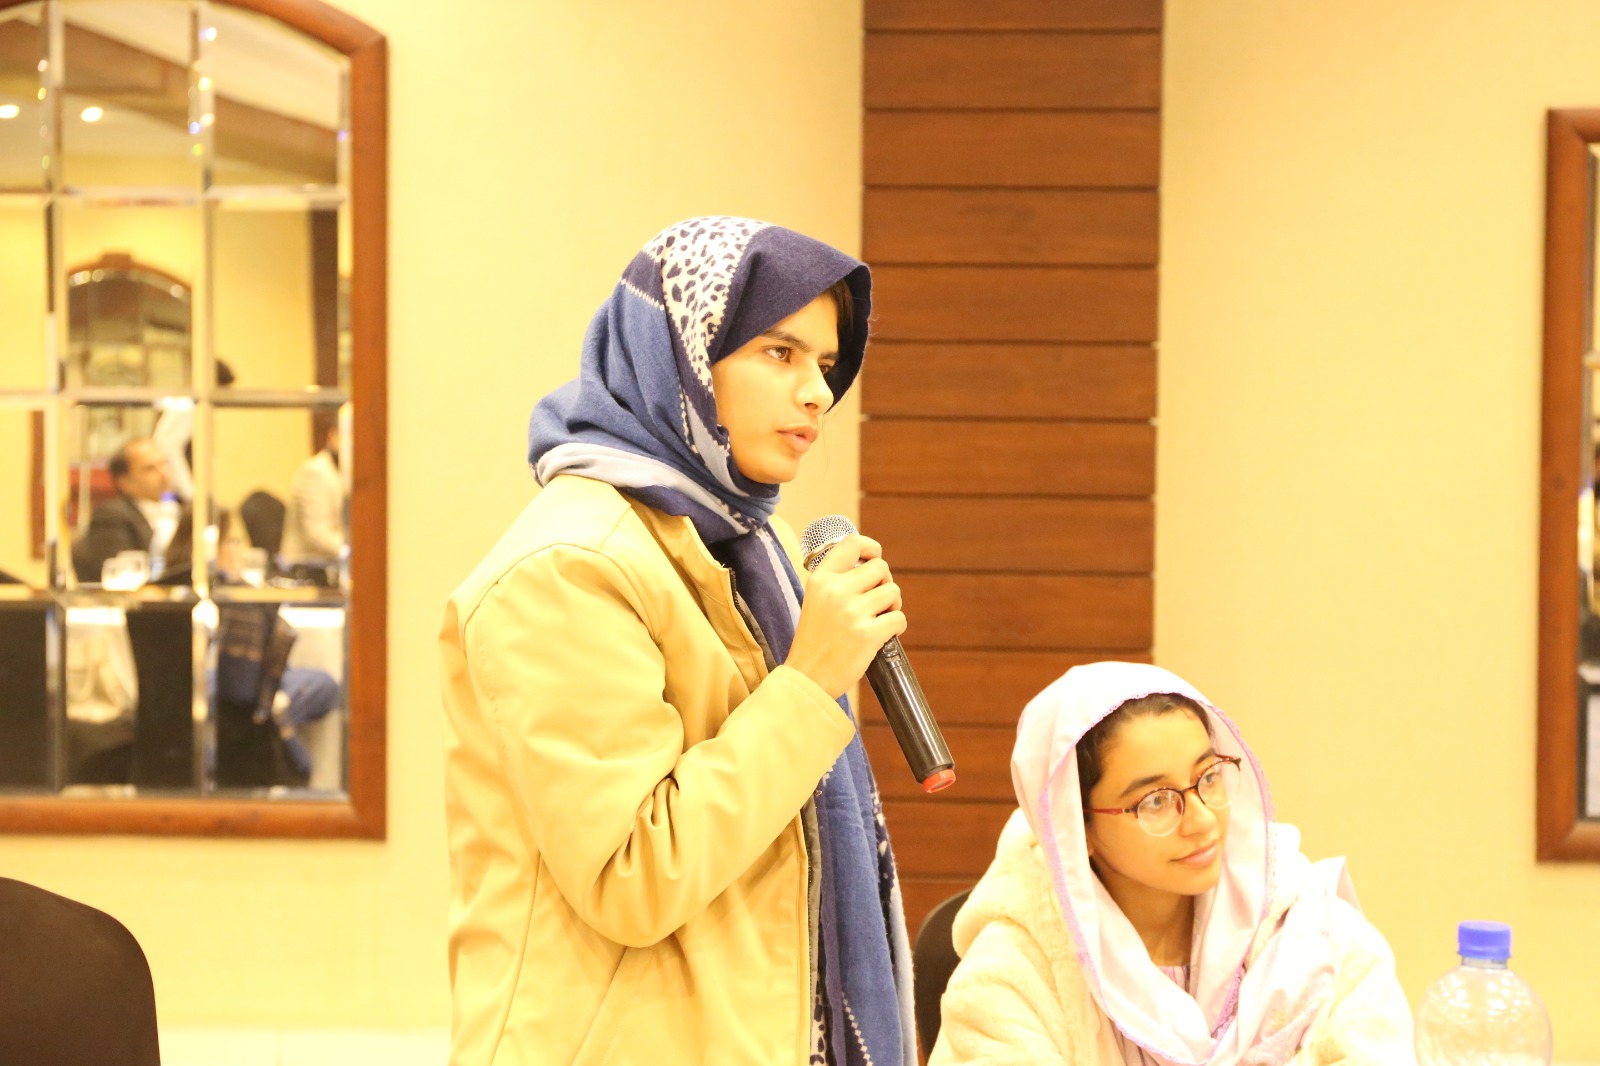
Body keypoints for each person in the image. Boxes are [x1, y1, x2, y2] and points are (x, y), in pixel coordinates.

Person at [439, 217, 916, 1066]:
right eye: (780, 352)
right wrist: (810, 684)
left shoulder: (751, 544)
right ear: (683, 356)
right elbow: (631, 874)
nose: (816, 392)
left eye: (826, 363)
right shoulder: (568, 569)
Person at [929, 662, 1413, 1066]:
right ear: (1078, 829)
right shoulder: (1014, 976)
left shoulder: (1311, 930)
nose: (1202, 820)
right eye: (1156, 801)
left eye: (1209, 777)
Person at [72, 438, 173, 583]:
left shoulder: (180, 508)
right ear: (125, 482)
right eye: (150, 469)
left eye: (164, 463)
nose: (163, 473)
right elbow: (121, 573)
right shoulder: (111, 516)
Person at [279, 423, 344, 565]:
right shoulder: (315, 472)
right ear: (332, 436)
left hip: (332, 563)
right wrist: (356, 550)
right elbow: (317, 533)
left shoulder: (344, 472)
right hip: (306, 566)